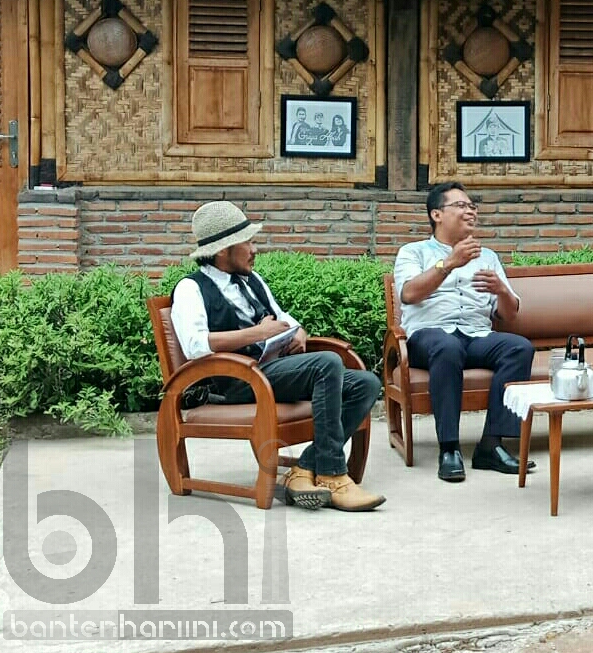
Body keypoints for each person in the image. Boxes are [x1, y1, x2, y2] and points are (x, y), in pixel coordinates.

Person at [170, 201, 385, 512]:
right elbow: (195, 345)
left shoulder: (253, 281)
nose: (254, 249)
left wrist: (299, 333)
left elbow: (284, 318)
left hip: (270, 372)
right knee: (326, 363)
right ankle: (332, 475)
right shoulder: (190, 288)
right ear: (223, 250)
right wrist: (257, 334)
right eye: (247, 243)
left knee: (366, 383)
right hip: (235, 381)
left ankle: (303, 469)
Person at [393, 182, 536, 483]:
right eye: (461, 205)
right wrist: (449, 263)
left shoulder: (487, 257)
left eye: (472, 206)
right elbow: (409, 293)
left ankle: (491, 445)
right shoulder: (413, 252)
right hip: (429, 337)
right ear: (436, 214)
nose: (470, 211)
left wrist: (502, 291)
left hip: (476, 335)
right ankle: (449, 449)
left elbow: (509, 313)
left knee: (519, 347)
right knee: (447, 346)